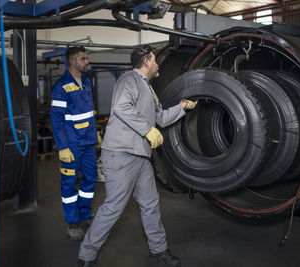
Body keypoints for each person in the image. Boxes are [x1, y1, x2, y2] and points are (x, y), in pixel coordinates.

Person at [78, 45, 197, 267]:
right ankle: (86, 255)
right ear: (146, 62)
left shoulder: (148, 88)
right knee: (114, 206)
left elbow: (160, 117)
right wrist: (146, 130)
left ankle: (158, 249)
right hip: (121, 154)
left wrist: (182, 108)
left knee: (150, 202)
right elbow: (122, 107)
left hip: (140, 155)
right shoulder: (128, 80)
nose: (158, 64)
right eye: (155, 60)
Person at [50, 46, 101, 240]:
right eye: (83, 59)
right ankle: (72, 222)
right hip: (71, 145)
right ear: (72, 61)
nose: (87, 62)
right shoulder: (61, 86)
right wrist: (62, 147)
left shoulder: (86, 83)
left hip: (88, 143)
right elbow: (56, 119)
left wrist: (95, 134)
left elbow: (89, 113)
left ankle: (85, 215)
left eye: (86, 58)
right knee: (69, 184)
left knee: (90, 178)